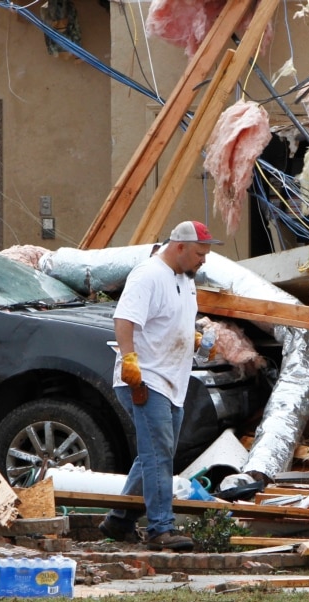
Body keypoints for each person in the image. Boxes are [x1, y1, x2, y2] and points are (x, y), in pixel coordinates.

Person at [98, 220, 222, 551]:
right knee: (159, 453)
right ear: (179, 246)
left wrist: (196, 339)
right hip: (146, 377)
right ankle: (160, 528)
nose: (203, 260)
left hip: (172, 381)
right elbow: (124, 320)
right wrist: (129, 361)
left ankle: (119, 521)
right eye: (199, 253)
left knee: (154, 453)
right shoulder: (148, 275)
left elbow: (170, 319)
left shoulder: (185, 278)